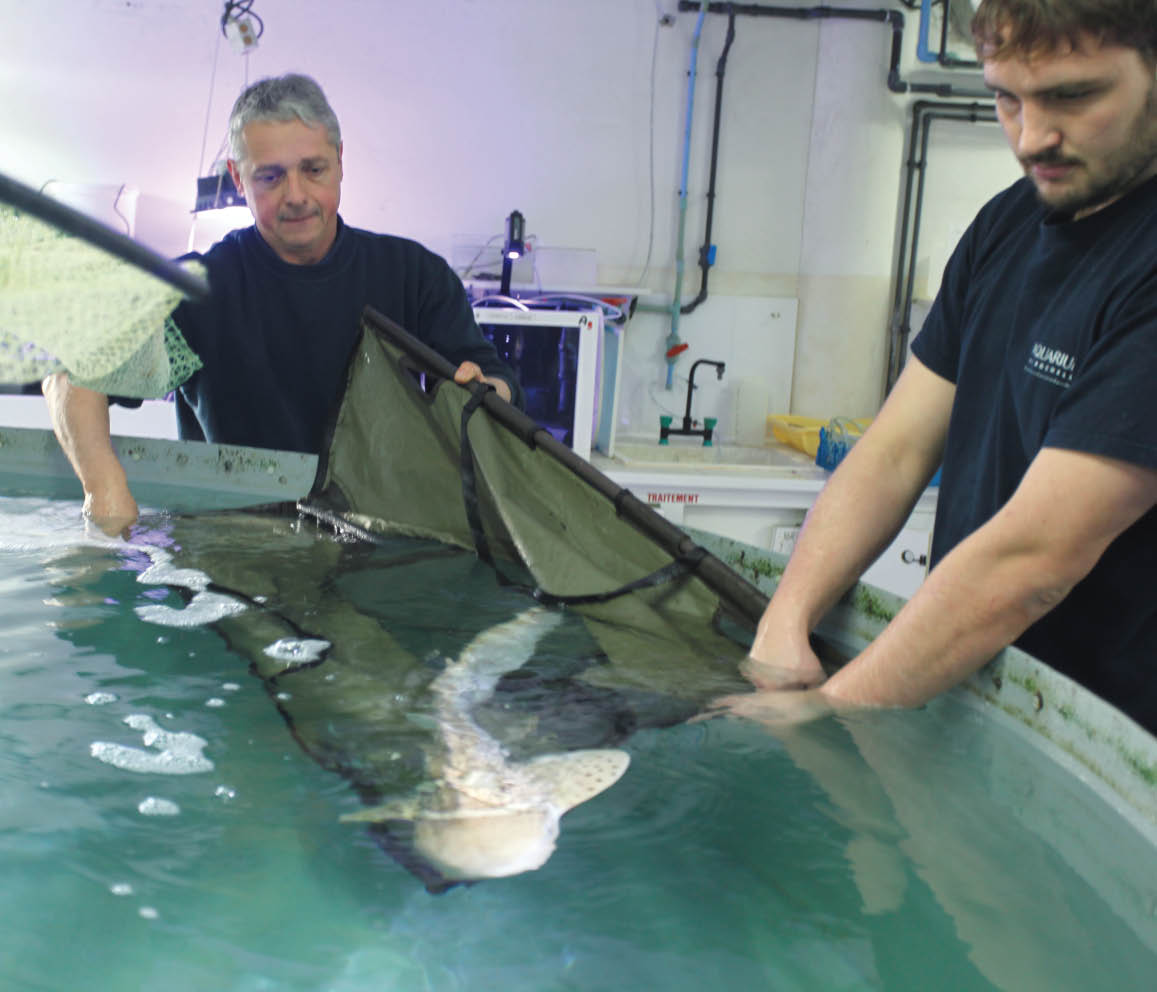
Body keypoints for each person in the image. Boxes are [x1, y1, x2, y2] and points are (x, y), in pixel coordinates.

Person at [715, 0, 1157, 734]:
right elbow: (892, 451)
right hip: (964, 688)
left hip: (1101, 747)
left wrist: (823, 713)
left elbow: (1033, 562)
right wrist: (782, 627)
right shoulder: (1007, 223)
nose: (1030, 137)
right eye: (1005, 98)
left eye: (1072, 96)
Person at [43, 73, 521, 536]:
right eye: (270, 177)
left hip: (379, 539)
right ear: (237, 177)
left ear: (339, 160)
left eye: (313, 170)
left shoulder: (414, 275)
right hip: (234, 544)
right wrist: (103, 489)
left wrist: (484, 393)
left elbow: (491, 380)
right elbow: (70, 376)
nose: (296, 197)